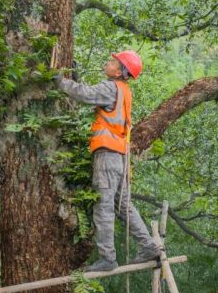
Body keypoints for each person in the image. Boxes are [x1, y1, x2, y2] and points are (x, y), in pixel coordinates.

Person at [54, 50, 160, 272]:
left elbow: (86, 95)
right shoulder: (123, 90)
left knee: (104, 206)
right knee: (123, 205)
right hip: (119, 156)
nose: (108, 62)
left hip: (107, 154)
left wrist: (60, 82)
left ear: (121, 71)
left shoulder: (111, 87)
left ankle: (108, 258)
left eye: (113, 61)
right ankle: (149, 245)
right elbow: (92, 94)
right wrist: (76, 79)